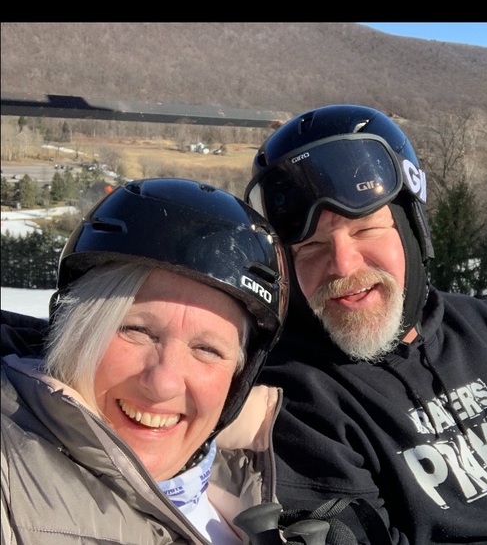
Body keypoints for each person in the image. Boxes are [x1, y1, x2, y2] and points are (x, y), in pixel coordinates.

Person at [244, 104, 487, 544]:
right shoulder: (300, 400)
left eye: (365, 229)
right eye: (310, 247)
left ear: (412, 231)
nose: (343, 265)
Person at [1, 178, 290, 545]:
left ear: (240, 377)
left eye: (207, 349)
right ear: (73, 330)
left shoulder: (239, 484)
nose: (163, 383)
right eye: (136, 330)